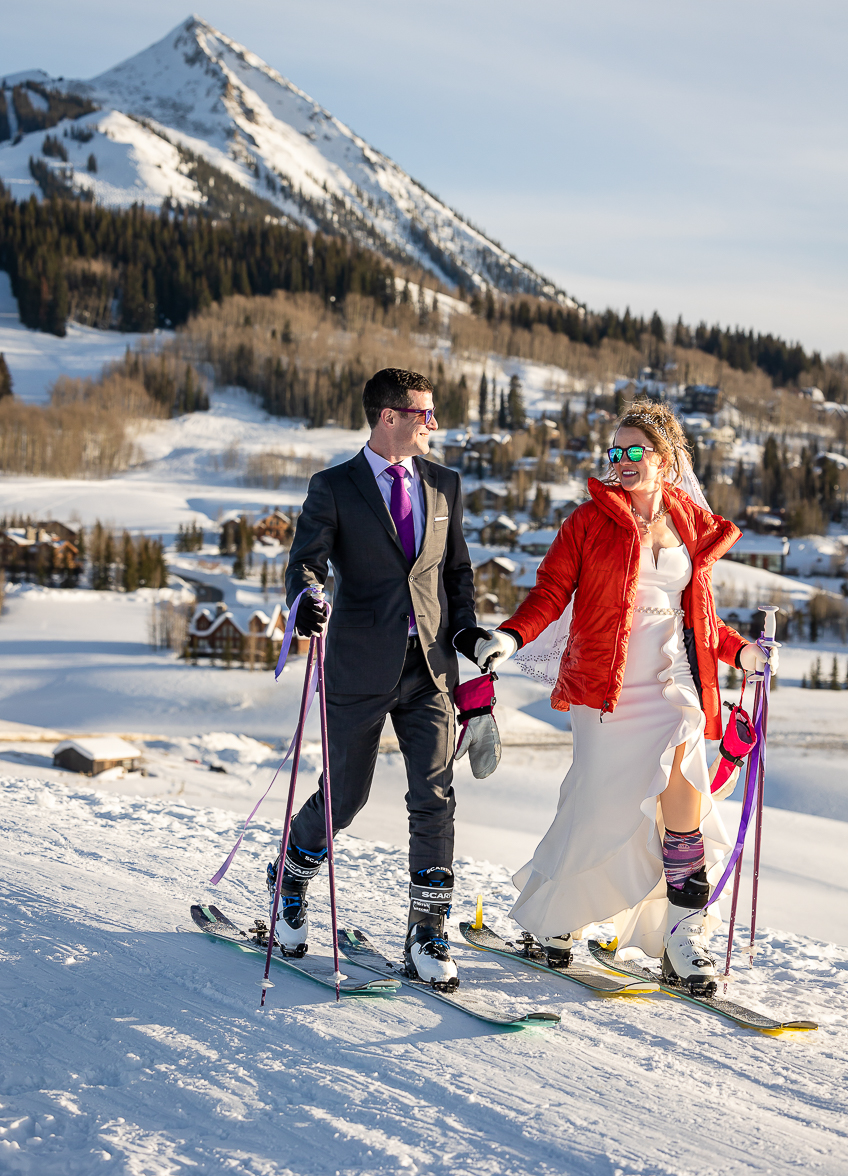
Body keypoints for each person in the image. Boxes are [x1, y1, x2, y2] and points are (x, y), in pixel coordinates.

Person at [475, 401, 779, 989]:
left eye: (634, 451)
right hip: (605, 686)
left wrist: (740, 652)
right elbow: (550, 592)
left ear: (666, 460)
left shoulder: (691, 523)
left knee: (682, 810)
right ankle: (555, 919)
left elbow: (702, 619)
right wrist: (511, 637)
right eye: (615, 453)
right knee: (596, 805)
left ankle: (685, 940)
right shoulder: (587, 523)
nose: (622, 462)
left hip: (675, 686)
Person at [273, 368, 484, 988]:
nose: (434, 424)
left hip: (430, 669)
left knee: (434, 795)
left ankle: (428, 930)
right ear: (389, 416)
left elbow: (458, 574)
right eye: (426, 414)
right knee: (346, 797)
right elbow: (305, 564)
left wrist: (468, 633)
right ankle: (291, 875)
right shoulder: (333, 487)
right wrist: (307, 597)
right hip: (359, 667)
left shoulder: (445, 484)